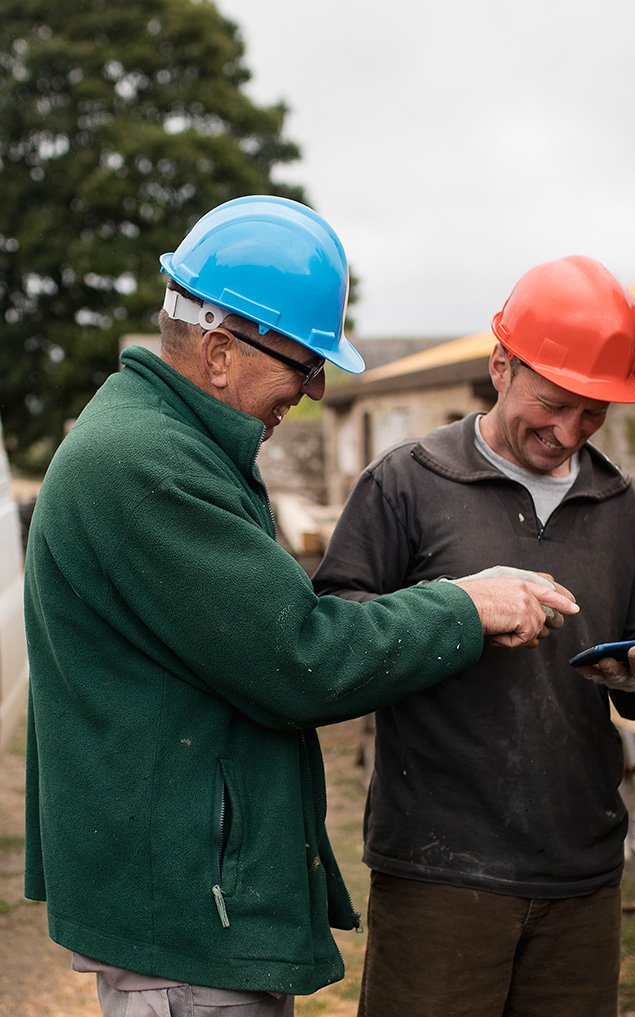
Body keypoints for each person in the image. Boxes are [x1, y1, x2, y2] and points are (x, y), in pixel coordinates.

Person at [23, 195, 580, 1017]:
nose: (315, 390)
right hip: (185, 915)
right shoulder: (152, 466)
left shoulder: (164, 439)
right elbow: (302, 655)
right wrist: (465, 606)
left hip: (187, 898)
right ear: (218, 352)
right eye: (302, 362)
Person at [311, 254, 635, 1017]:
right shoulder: (406, 483)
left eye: (593, 413)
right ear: (500, 364)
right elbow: (335, 645)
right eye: (553, 403)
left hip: (580, 866)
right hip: (439, 865)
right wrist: (454, 612)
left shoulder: (626, 507)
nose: (567, 430)